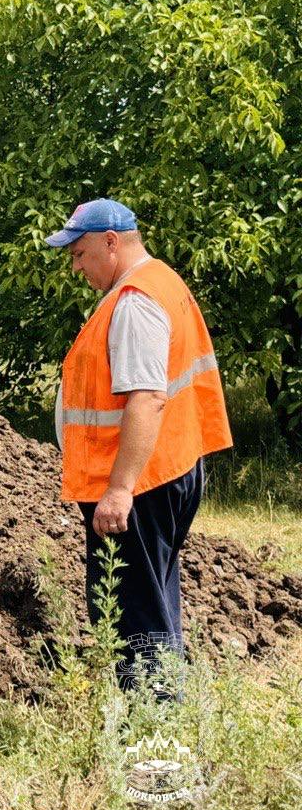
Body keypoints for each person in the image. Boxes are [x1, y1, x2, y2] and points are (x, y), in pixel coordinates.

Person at [44, 198, 232, 691]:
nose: (77, 266)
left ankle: (154, 750)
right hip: (169, 470)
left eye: (81, 253)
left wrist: (119, 489)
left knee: (137, 619)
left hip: (140, 485)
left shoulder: (134, 302)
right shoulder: (162, 281)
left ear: (111, 242)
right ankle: (167, 727)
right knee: (155, 604)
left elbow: (147, 398)